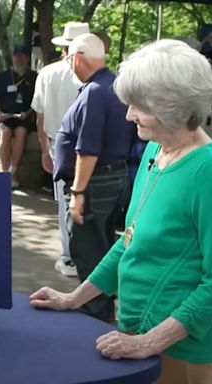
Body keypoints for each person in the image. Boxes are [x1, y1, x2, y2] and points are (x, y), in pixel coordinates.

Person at [30, 39, 212, 383]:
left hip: (183, 353)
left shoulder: (211, 171)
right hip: (136, 337)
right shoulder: (154, 151)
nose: (129, 114)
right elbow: (128, 241)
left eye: (139, 105)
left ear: (173, 106)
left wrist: (150, 342)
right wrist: (74, 298)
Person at [51, 33, 135, 322]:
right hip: (113, 178)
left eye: (68, 58)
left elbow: (88, 149)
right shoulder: (112, 86)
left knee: (88, 248)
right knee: (102, 245)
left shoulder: (94, 92)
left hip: (96, 182)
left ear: (77, 58)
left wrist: (77, 193)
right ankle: (101, 307)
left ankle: (94, 313)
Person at [31, 21, 89, 278]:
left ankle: (68, 257)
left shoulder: (48, 73)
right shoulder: (94, 75)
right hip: (90, 146)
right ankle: (84, 255)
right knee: (88, 200)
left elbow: (40, 118)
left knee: (65, 203)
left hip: (59, 145)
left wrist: (45, 150)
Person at [0, 45, 37, 188]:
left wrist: (28, 113)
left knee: (21, 132)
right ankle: (4, 172)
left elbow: (37, 102)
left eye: (22, 55)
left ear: (27, 58)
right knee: (5, 134)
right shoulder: (4, 76)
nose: (19, 58)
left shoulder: (34, 77)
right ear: (12, 57)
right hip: (4, 117)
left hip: (23, 117)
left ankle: (13, 170)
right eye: (16, 55)